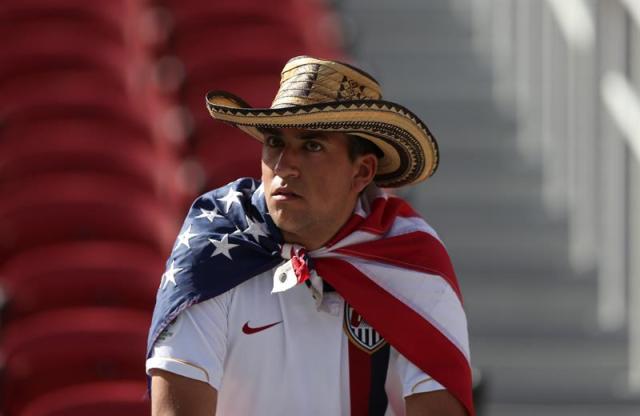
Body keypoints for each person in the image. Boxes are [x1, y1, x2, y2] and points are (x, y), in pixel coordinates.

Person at [146, 56, 474, 416]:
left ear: (362, 171)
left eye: (312, 145)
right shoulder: (215, 244)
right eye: (274, 142)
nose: (284, 165)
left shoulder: (410, 258)